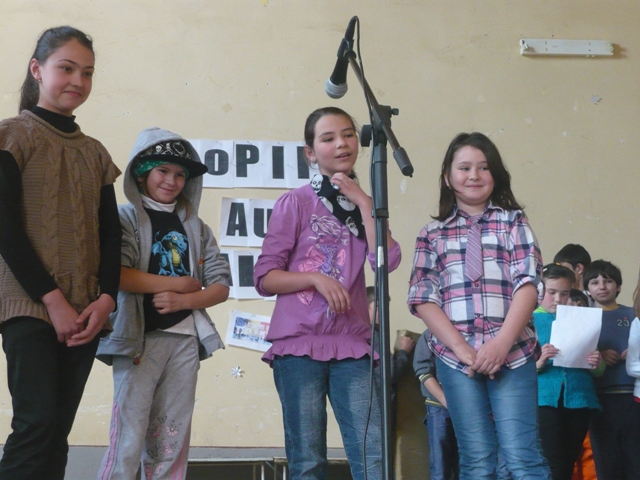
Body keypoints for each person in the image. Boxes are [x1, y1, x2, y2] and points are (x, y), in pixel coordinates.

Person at [253, 107, 402, 480]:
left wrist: (365, 203)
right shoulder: (296, 202)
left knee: (372, 454)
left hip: (352, 343)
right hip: (298, 344)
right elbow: (265, 277)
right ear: (310, 152)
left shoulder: (367, 205)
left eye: (348, 134)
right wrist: (316, 279)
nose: (341, 144)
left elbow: (387, 260)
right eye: (328, 138)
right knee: (308, 460)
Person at [0, 26, 122, 479]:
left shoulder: (96, 154)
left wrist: (105, 300)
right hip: (30, 305)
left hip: (85, 312)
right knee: (35, 425)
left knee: (57, 434)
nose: (78, 81)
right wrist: (53, 301)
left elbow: (111, 236)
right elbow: (6, 231)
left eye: (87, 73)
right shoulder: (11, 136)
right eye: (66, 68)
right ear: (37, 69)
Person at [408, 132, 550, 479]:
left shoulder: (513, 222)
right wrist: (462, 350)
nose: (474, 175)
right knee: (476, 460)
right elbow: (423, 297)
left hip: (513, 353)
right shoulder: (432, 234)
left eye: (484, 167)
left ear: (495, 175)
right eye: (465, 167)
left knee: (522, 456)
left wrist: (500, 344)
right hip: (457, 361)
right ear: (447, 176)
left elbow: (529, 285)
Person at [95, 128, 230, 479]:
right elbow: (117, 275)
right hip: (138, 340)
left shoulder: (197, 228)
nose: (171, 181)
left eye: (180, 174)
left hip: (186, 341)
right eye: (163, 171)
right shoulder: (124, 218)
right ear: (142, 173)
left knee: (171, 434)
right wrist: (177, 283)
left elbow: (220, 285)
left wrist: (186, 299)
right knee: (129, 432)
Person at [533, 264, 602, 480]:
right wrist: (539, 362)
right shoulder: (530, 320)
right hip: (544, 399)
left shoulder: (581, 319)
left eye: (564, 294)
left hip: (579, 398)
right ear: (540, 291)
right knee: (551, 459)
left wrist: (597, 362)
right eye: (552, 292)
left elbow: (598, 370)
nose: (558, 299)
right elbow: (518, 368)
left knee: (570, 459)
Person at [583, 260, 640, 479]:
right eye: (595, 282)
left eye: (608, 281)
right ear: (587, 288)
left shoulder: (633, 314)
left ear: (618, 286)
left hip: (632, 397)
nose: (602, 286)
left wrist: (633, 352)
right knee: (606, 459)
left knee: (634, 456)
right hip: (600, 398)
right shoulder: (584, 317)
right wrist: (601, 355)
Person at [413, 329, 459, 480]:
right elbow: (423, 372)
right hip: (438, 406)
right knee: (440, 463)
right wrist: (447, 401)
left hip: (468, 408)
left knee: (468, 462)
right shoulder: (428, 335)